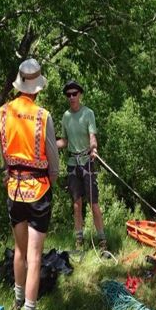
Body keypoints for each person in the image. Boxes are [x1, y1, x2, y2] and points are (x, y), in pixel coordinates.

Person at [0, 58, 59, 310]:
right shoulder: (43, 116)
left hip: (14, 189)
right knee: (35, 257)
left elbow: (3, 151)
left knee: (19, 251)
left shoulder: (3, 112)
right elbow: (53, 160)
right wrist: (51, 183)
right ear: (37, 87)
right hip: (38, 192)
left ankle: (17, 300)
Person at [56, 80, 106, 251]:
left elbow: (92, 135)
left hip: (87, 162)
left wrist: (94, 148)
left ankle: (102, 240)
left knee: (93, 203)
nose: (71, 97)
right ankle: (79, 240)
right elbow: (64, 140)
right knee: (76, 204)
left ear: (80, 95)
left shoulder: (88, 113)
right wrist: (49, 146)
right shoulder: (66, 116)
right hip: (72, 164)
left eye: (74, 94)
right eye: (68, 94)